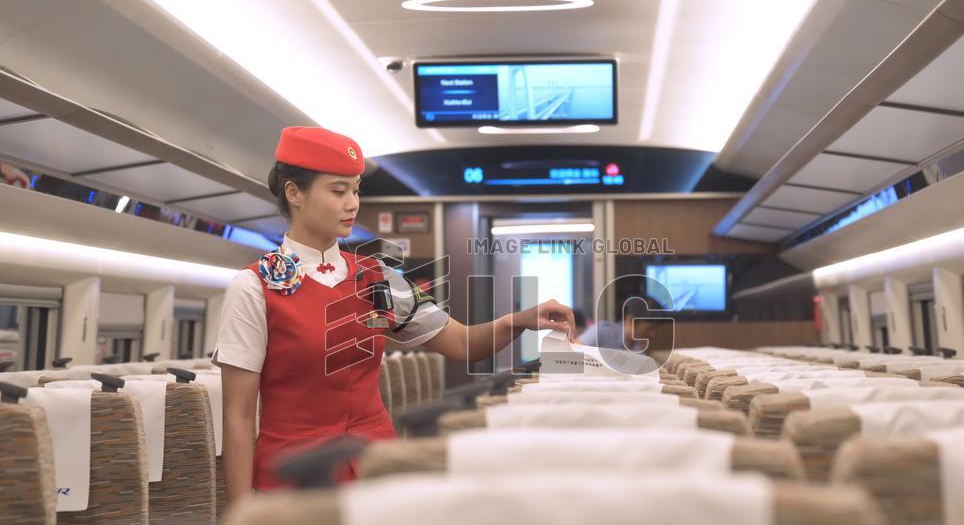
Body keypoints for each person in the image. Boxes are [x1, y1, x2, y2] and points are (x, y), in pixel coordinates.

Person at [215, 126, 574, 500]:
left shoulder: (379, 279)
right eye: (338, 191)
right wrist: (244, 514)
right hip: (295, 478)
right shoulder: (255, 287)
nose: (352, 203)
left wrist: (517, 320)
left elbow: (463, 343)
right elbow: (238, 417)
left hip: (376, 466)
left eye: (355, 190)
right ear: (294, 193)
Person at [575, 295, 668, 353]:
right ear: (631, 320)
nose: (653, 334)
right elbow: (570, 358)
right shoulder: (602, 331)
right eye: (649, 329)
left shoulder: (638, 349)